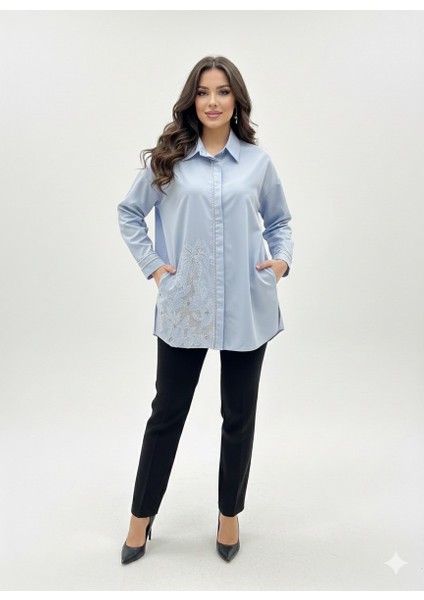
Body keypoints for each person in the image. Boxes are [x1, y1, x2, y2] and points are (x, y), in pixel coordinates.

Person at [116, 55, 294, 564]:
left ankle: (229, 514)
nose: (212, 101)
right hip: (185, 305)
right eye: (203, 91)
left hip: (247, 304)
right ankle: (140, 518)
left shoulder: (257, 163)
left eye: (222, 91)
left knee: (239, 416)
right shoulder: (170, 160)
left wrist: (280, 263)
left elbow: (280, 221)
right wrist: (155, 267)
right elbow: (129, 213)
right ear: (191, 99)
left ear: (236, 100)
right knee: (166, 414)